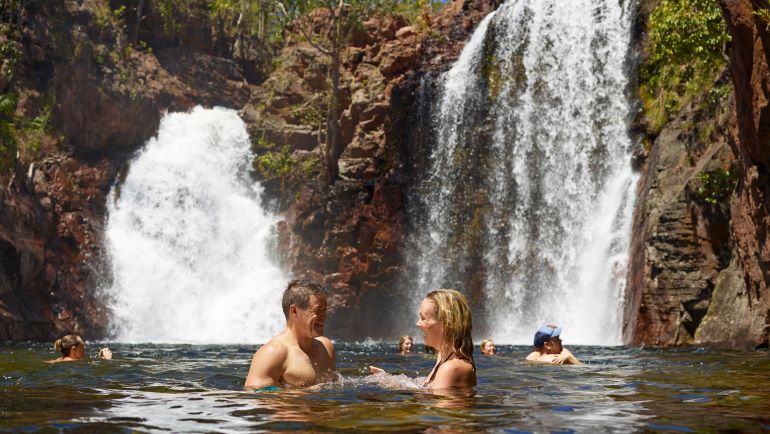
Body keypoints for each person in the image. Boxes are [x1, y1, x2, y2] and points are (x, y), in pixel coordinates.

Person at [371, 289, 476, 389]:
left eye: (423, 318)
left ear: (446, 324)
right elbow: (425, 388)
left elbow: (435, 406)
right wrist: (389, 380)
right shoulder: (443, 356)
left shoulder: (450, 369)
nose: (418, 323)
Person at [244, 279, 336, 390]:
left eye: (324, 310)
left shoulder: (326, 346)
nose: (324, 316)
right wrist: (305, 392)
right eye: (318, 311)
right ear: (294, 311)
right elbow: (255, 394)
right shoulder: (273, 353)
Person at [46, 334, 112, 363]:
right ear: (74, 349)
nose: (85, 348)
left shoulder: (57, 360)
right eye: (82, 346)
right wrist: (107, 360)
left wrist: (100, 358)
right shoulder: (74, 363)